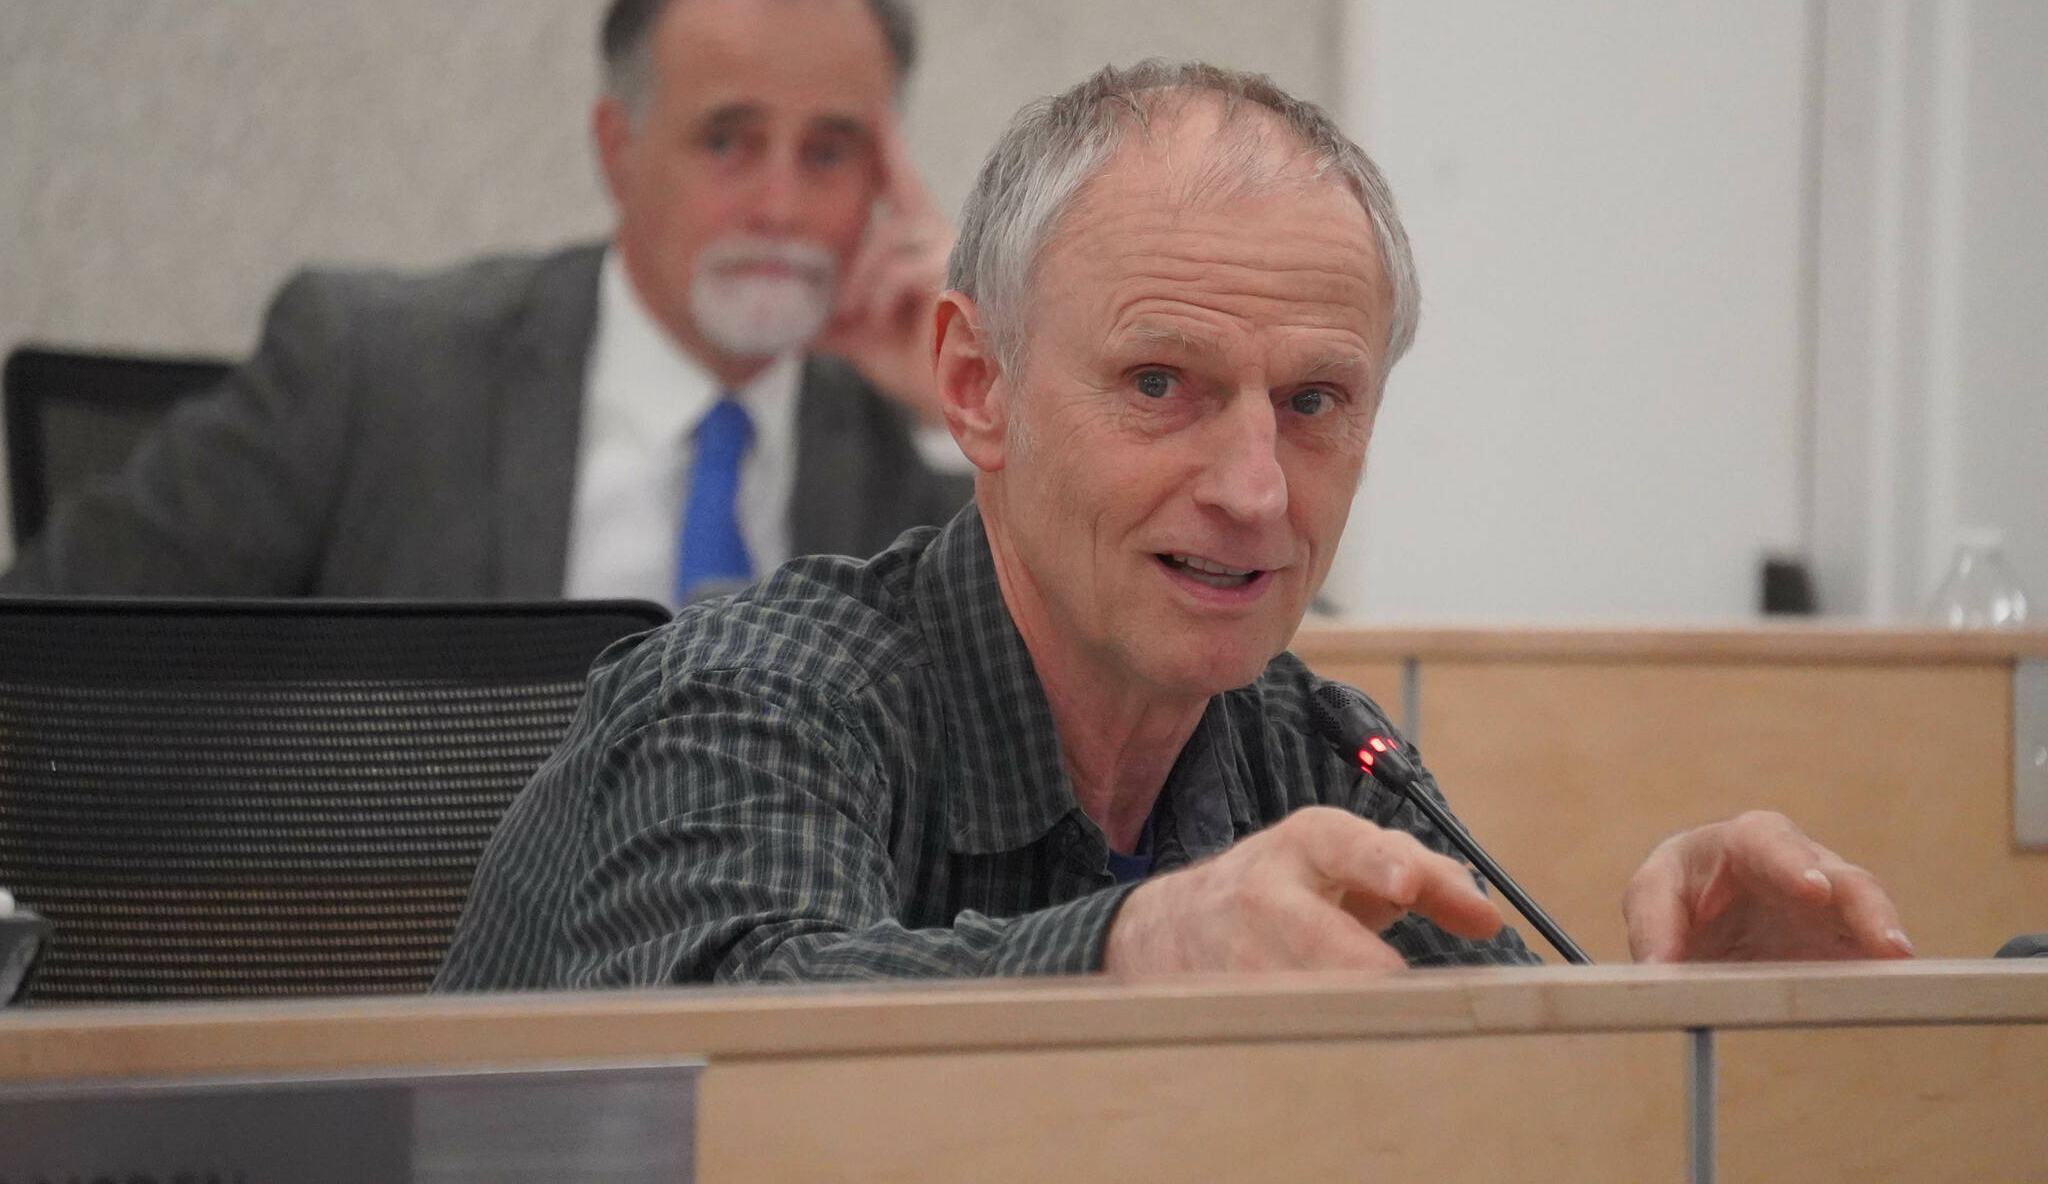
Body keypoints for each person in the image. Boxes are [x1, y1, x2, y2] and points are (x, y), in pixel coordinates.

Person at [434, 60, 1912, 989]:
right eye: (1160, 384)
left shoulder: (1318, 754)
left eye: (1314, 402)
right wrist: (1136, 944)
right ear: (978, 387)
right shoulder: (752, 695)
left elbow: (1480, 1111)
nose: (1255, 490)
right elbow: (741, 1028)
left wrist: (1699, 1024)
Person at [1, 0, 970, 605]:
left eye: (830, 153)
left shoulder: (915, 449)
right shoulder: (369, 370)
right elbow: (46, 644)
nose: (781, 206)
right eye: (727, 141)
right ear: (617, 150)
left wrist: (962, 403)